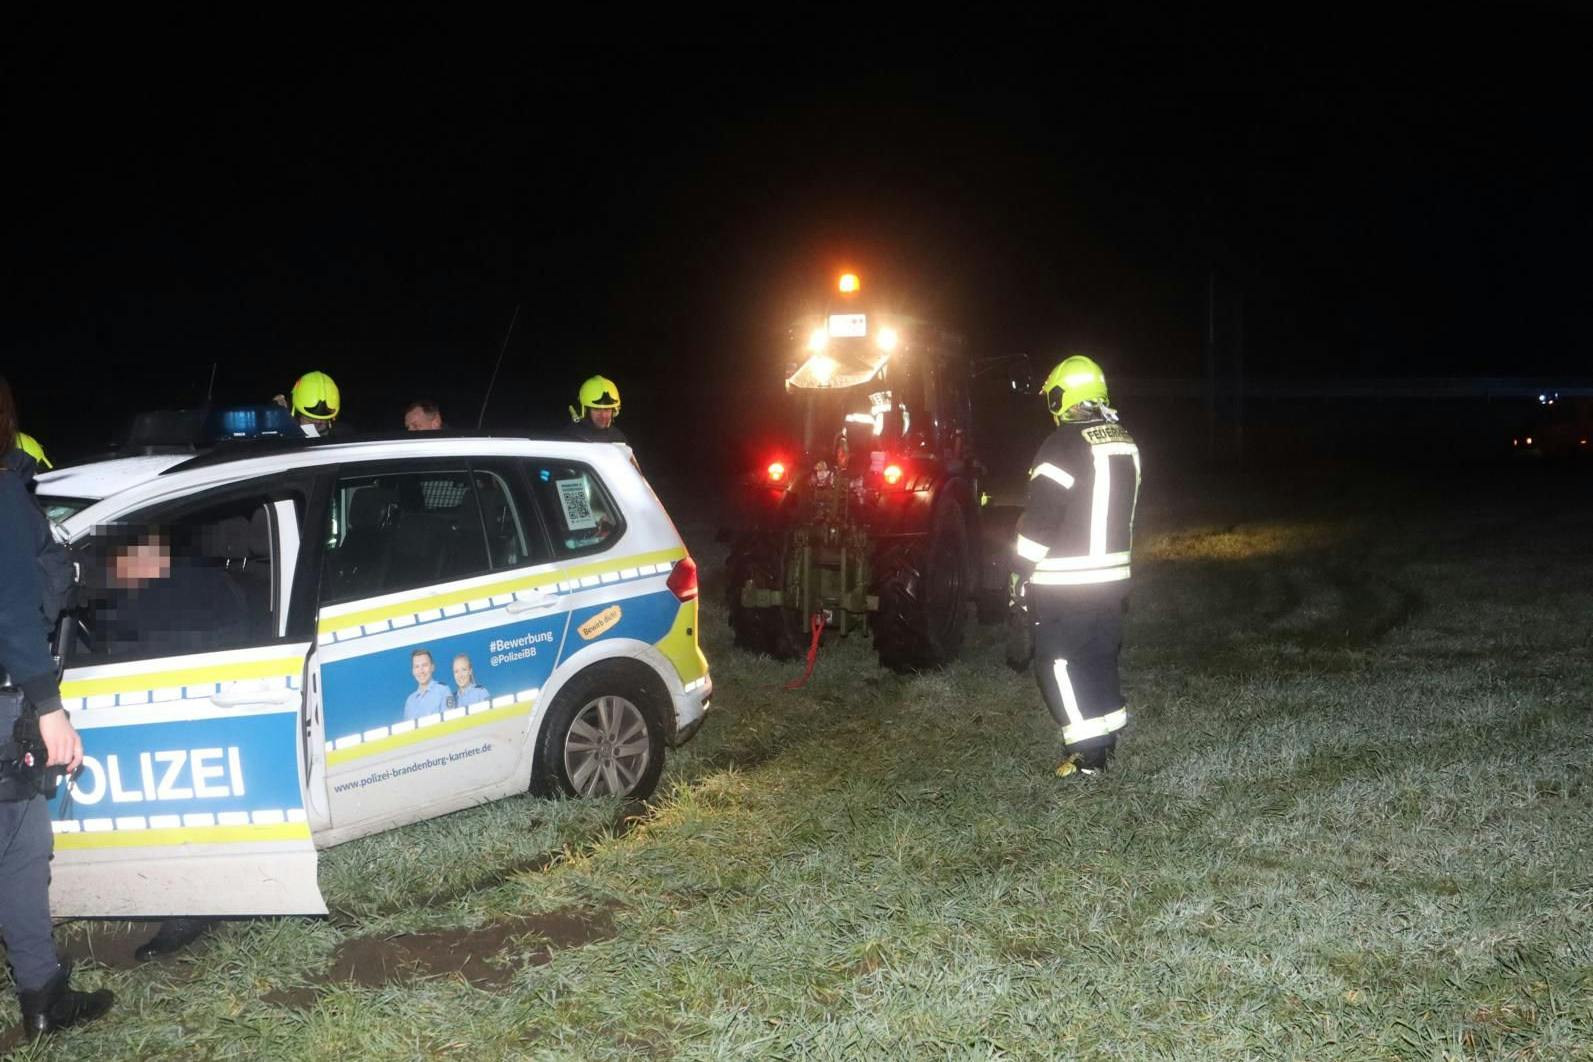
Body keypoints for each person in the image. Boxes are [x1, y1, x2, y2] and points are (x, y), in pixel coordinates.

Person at [0, 375, 114, 1037]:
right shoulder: (6, 497)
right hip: (8, 697)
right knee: (21, 847)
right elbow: (14, 611)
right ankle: (44, 998)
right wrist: (49, 706)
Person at [1010, 355, 1142, 777]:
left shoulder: (1062, 444)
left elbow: (1042, 518)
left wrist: (1019, 568)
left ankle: (1087, 752)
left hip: (1066, 579)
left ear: (1060, 396)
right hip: (1112, 577)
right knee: (1099, 653)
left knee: (1059, 662)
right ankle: (1107, 734)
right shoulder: (1122, 439)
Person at [273, 371, 345, 438]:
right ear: (294, 412)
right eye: (310, 420)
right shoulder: (278, 439)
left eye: (324, 420)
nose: (318, 422)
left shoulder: (345, 438)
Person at [566, 375, 628, 444]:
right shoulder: (570, 436)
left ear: (614, 411)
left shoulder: (618, 437)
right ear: (586, 411)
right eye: (597, 409)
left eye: (607, 410)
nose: (603, 415)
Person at [404, 649, 453, 721]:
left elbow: (451, 720)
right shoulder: (410, 701)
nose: (421, 671)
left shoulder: (444, 691)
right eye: (417, 667)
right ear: (413, 671)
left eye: (424, 665)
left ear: (432, 667)